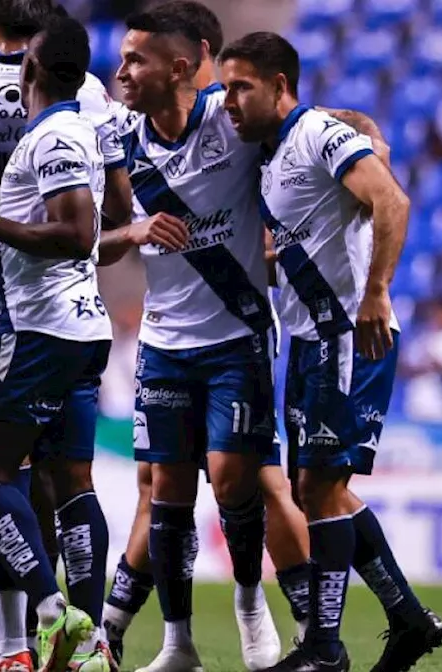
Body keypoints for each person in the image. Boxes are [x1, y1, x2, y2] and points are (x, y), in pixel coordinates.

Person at [96, 4, 355, 668]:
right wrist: (130, 231)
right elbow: (88, 245)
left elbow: (325, 136)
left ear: (180, 67)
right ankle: (177, 642)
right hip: (162, 344)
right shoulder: (118, 140)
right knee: (169, 493)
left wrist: (364, 156)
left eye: (136, 59)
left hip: (236, 336)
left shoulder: (233, 119)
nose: (122, 70)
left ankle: (249, 602)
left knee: (235, 475)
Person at [220, 32, 442, 672]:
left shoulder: (316, 133)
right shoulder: (272, 157)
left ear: (279, 86)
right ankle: (406, 618)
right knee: (314, 486)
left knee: (319, 487)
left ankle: (324, 646)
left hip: (349, 333)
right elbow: (310, 237)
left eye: (241, 86)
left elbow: (391, 199)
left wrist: (376, 292)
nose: (230, 100)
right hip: (310, 339)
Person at [0, 2, 130, 670]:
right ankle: (87, 642)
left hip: (17, 320)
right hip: (74, 318)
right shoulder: (83, 110)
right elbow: (103, 211)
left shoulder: (28, 118)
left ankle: (27, 627)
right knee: (71, 477)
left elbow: (61, 230)